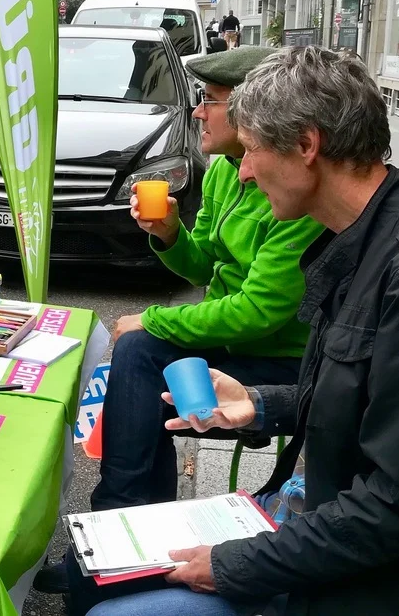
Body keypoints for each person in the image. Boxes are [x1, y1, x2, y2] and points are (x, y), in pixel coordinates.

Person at [65, 47, 399, 616]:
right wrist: (260, 404)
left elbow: (397, 508)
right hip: (313, 516)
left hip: (385, 578)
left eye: (254, 150)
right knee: (91, 561)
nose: (242, 169)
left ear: (307, 146)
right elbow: (364, 401)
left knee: (113, 606)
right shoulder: (357, 237)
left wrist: (234, 565)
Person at [86, 46, 324, 513]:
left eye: (209, 99)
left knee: (143, 361)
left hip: (279, 363)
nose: (197, 112)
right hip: (231, 345)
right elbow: (205, 266)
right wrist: (171, 233)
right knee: (139, 359)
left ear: (253, 110)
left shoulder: (294, 189)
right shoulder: (223, 171)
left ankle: (119, 523)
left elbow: (259, 312)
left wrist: (154, 318)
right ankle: (127, 523)